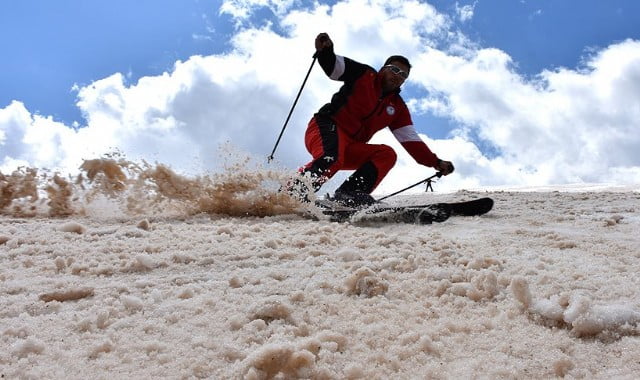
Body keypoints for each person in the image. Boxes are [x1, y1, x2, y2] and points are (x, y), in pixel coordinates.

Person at [294, 33, 454, 207]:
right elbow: (335, 68)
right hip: (326, 127)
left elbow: (411, 140)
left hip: (350, 146)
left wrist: (436, 162)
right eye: (395, 70)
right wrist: (326, 51)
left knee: (387, 154)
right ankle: (292, 195)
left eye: (403, 75)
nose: (398, 76)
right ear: (384, 69)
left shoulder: (397, 107)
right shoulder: (365, 75)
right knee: (332, 157)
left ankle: (349, 195)